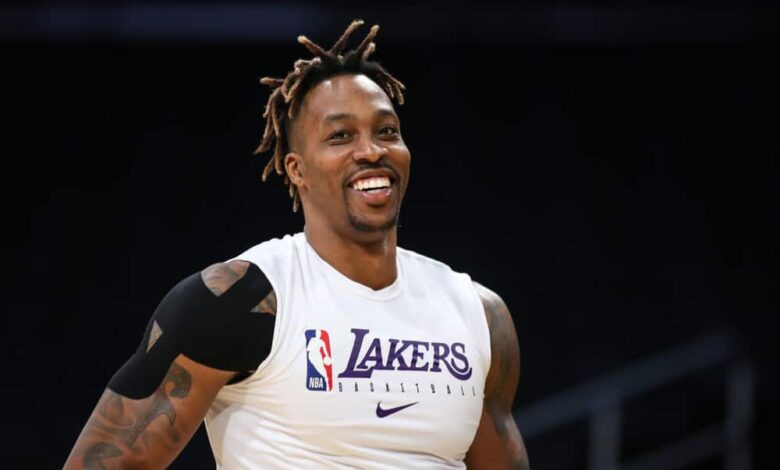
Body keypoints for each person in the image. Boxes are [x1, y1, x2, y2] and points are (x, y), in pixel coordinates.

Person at [64, 20, 530, 469]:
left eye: (386, 131)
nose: (371, 150)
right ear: (296, 169)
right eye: (340, 135)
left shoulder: (479, 314)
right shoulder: (241, 299)